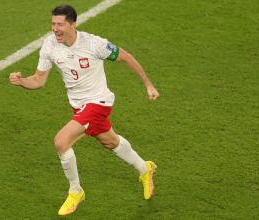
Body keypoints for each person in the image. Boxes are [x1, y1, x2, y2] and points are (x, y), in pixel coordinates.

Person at [9, 5, 159, 216]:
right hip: (79, 107)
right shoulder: (50, 45)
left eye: (60, 24)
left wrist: (148, 84)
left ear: (73, 24)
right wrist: (21, 81)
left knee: (61, 141)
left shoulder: (94, 44)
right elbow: (39, 80)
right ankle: (145, 168)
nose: (55, 29)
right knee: (109, 141)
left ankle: (75, 191)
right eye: (53, 24)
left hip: (98, 103)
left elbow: (126, 57)